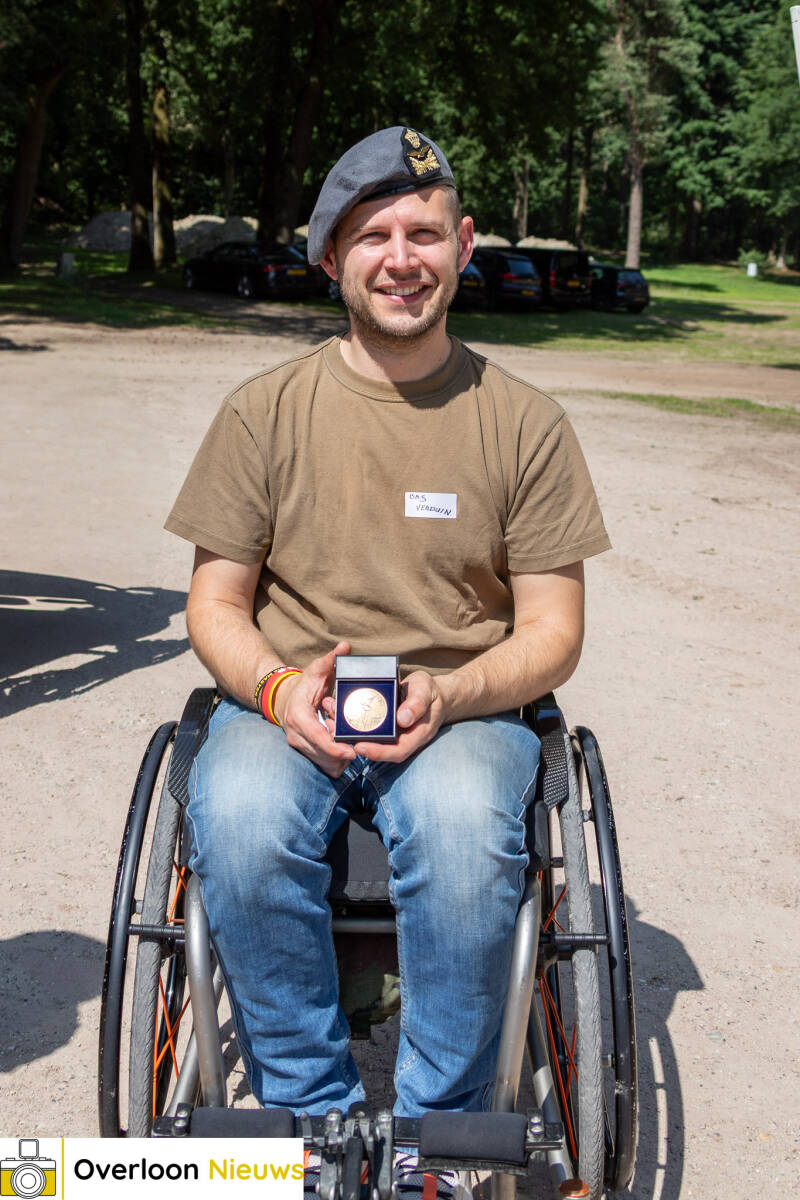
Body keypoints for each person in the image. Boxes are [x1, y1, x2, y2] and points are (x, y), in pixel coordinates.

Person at [165, 126, 611, 1118]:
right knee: (231, 816)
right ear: (330, 258)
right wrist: (279, 691)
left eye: (422, 232)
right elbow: (215, 603)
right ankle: (307, 1117)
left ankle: (433, 1136)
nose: (399, 259)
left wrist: (450, 690)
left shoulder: (523, 422)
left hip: (462, 711)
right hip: (286, 705)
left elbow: (551, 629)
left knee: (459, 832)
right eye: (371, 236)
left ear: (462, 246)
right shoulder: (263, 413)